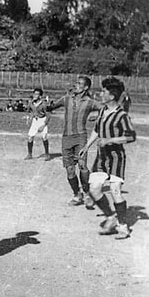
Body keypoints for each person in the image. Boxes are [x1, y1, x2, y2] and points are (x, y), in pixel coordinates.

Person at [79, 77, 136, 239]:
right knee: (94, 189)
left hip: (116, 158)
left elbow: (130, 136)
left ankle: (123, 226)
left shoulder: (122, 115)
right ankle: (110, 217)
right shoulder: (103, 111)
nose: (101, 93)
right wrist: (87, 146)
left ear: (111, 96)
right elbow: (97, 130)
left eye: (104, 91)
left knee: (115, 190)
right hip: (101, 158)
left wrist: (110, 140)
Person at [47, 76, 102, 208]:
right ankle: (77, 194)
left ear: (86, 87)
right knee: (70, 170)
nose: (75, 85)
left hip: (80, 137)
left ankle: (87, 193)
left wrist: (96, 117)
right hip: (66, 138)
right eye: (76, 83)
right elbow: (52, 107)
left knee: (82, 166)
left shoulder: (89, 102)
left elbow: (105, 109)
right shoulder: (66, 98)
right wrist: (48, 104)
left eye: (79, 83)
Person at [24, 88, 51, 161]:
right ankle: (29, 154)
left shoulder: (43, 104)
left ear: (40, 96)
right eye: (34, 94)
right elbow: (29, 111)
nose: (35, 96)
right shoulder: (31, 103)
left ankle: (47, 154)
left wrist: (44, 125)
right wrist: (29, 118)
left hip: (42, 120)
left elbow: (48, 115)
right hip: (35, 121)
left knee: (44, 137)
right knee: (30, 137)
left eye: (37, 94)